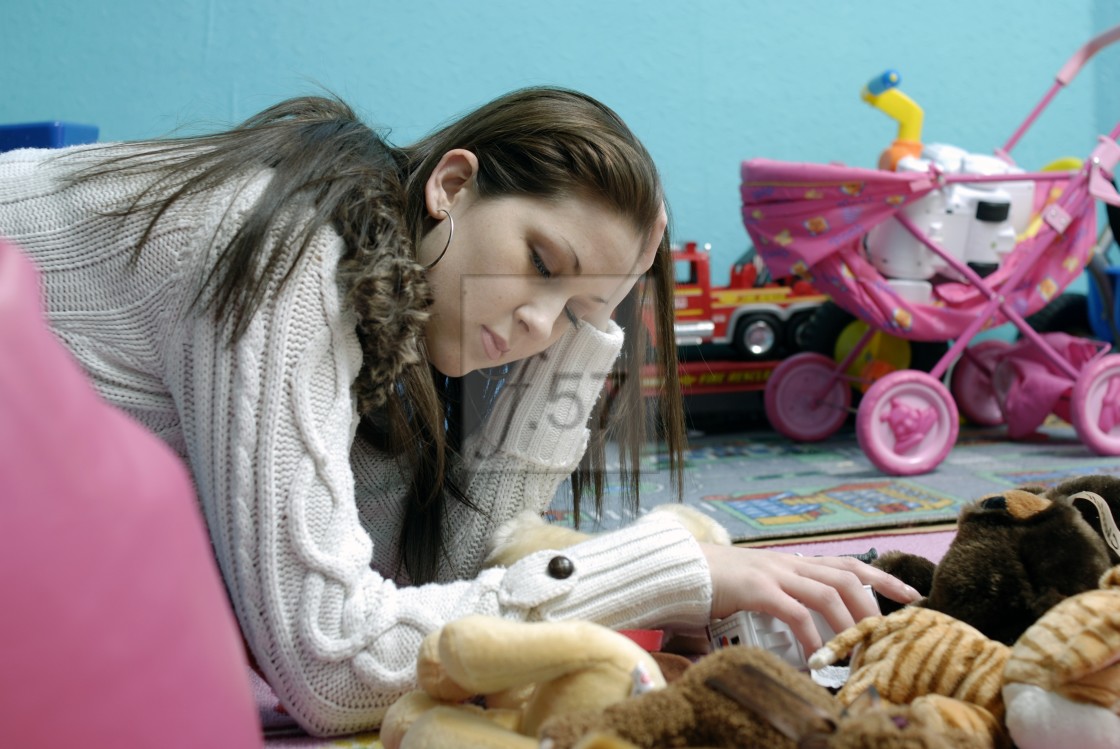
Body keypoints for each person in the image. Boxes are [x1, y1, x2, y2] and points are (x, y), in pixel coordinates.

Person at [0, 87, 918, 736]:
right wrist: (666, 572)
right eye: (542, 263)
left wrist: (589, 320)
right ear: (451, 184)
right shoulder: (288, 254)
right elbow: (329, 666)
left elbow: (441, 574)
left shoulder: (400, 310)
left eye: (573, 315)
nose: (534, 326)